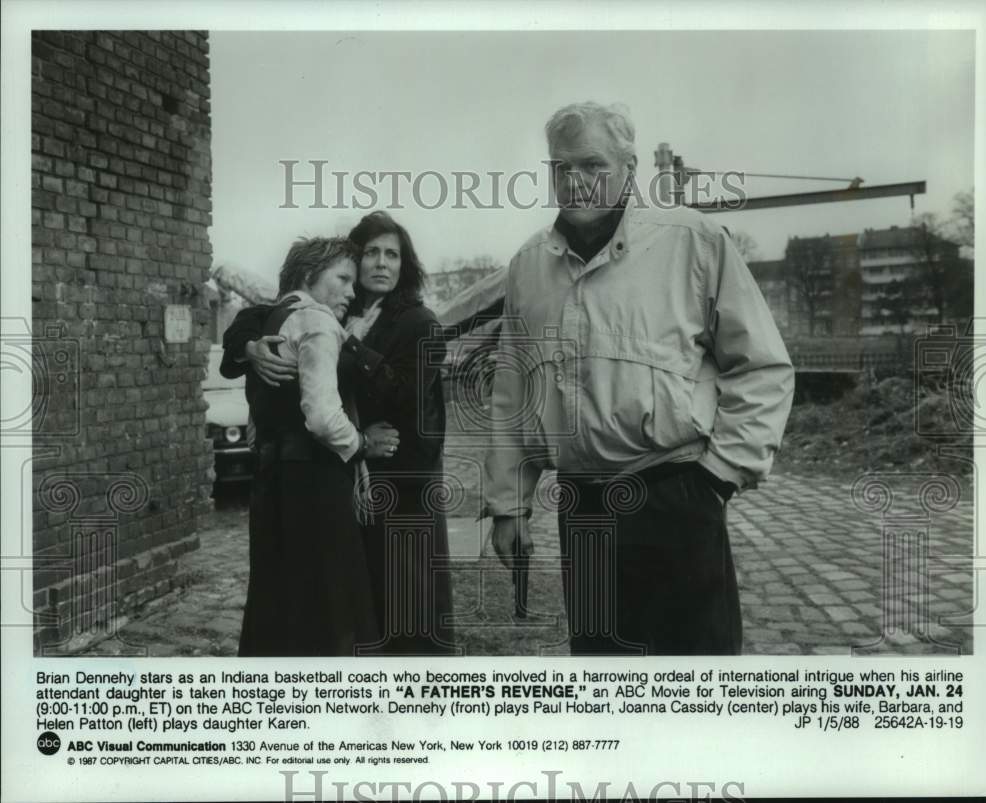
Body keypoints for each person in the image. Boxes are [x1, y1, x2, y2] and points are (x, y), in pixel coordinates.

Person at [484, 101, 795, 655]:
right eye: (560, 168)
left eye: (592, 165)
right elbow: (512, 389)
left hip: (675, 495)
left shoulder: (693, 241)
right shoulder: (529, 266)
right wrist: (509, 504)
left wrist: (718, 477)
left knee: (696, 689)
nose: (574, 182)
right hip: (583, 510)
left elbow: (762, 366)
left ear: (630, 167)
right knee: (607, 685)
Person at [224, 213, 455, 655]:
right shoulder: (326, 308)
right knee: (340, 611)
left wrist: (348, 343)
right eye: (371, 252)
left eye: (393, 254)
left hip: (399, 486)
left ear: (405, 265)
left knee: (407, 613)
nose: (381, 264)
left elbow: (406, 396)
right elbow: (256, 316)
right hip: (342, 479)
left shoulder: (417, 322)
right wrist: (249, 348)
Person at [237, 236, 400, 657]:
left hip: (271, 483)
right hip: (315, 483)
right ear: (310, 275)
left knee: (278, 605)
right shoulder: (317, 320)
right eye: (343, 279)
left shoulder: (273, 319)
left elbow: (257, 421)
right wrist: (362, 442)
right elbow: (323, 416)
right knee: (328, 611)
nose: (351, 291)